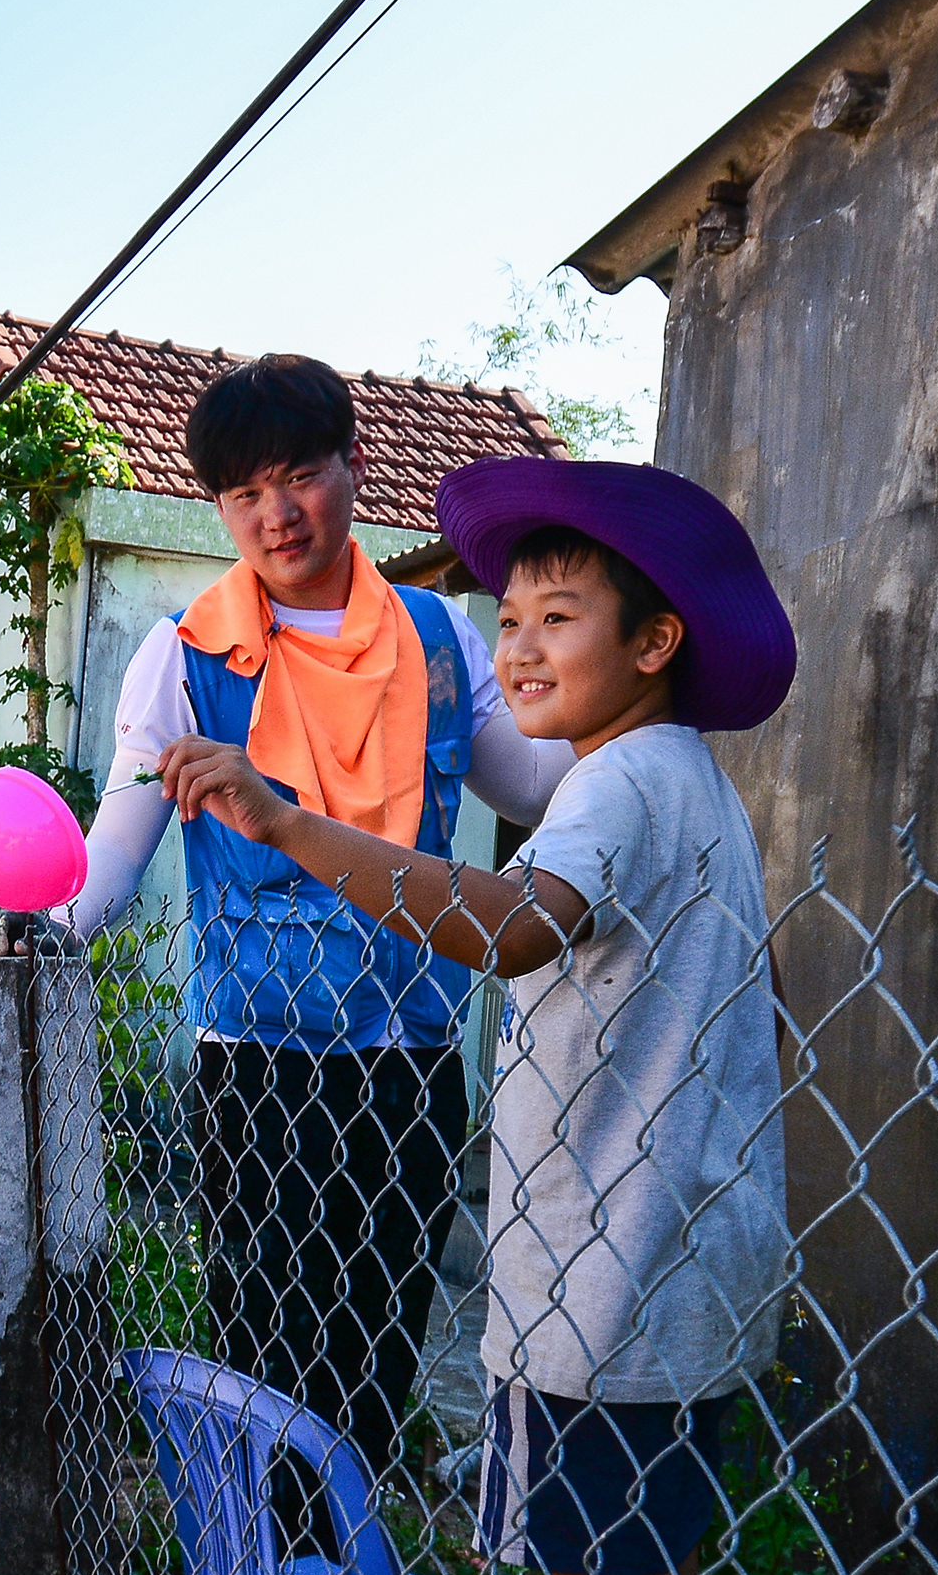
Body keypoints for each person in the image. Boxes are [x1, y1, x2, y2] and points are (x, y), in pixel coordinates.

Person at [152, 456, 796, 1575]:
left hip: (617, 1271)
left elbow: (508, 924)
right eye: (505, 619)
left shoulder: (624, 783)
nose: (513, 648)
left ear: (653, 643)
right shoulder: (664, 780)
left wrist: (285, 820)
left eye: (555, 618)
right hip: (653, 1261)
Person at [64, 353, 572, 1493]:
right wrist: (22, 931)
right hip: (260, 1065)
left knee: (378, 1351)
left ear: (356, 466)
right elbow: (117, 849)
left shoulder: (442, 644)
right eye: (243, 494)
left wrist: (632, 722)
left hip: (411, 1064)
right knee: (266, 1351)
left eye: (300, 476)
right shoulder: (185, 658)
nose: (275, 514)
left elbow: (539, 790)